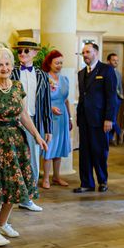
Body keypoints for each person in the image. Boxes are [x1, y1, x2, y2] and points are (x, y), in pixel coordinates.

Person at [0, 47, 48, 247]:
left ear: (12, 66)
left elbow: (23, 115)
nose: (4, 67)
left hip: (17, 141)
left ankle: (3, 224)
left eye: (7, 64)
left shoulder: (17, 86)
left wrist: (37, 135)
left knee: (15, 186)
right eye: (0, 64)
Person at [75, 42, 118, 194]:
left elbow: (111, 96)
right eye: (83, 52)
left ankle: (102, 181)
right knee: (84, 152)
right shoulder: (81, 73)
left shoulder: (106, 70)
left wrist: (109, 118)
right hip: (84, 119)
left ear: (96, 53)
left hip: (100, 119)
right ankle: (86, 182)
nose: (85, 55)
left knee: (99, 151)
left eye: (88, 52)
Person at [41, 50, 72, 188]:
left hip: (63, 116)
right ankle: (46, 178)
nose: (59, 65)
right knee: (50, 147)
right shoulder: (44, 78)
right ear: (49, 63)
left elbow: (66, 100)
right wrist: (51, 108)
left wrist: (70, 117)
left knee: (59, 147)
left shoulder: (65, 79)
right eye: (56, 63)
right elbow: (40, 100)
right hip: (50, 116)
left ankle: (56, 177)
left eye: (61, 63)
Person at [107, 52, 124, 145]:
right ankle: (119, 132)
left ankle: (111, 138)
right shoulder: (105, 71)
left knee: (112, 118)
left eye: (117, 61)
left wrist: (121, 96)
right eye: (114, 60)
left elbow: (120, 86)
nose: (116, 62)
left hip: (116, 99)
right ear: (108, 61)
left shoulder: (118, 73)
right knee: (110, 118)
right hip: (107, 99)